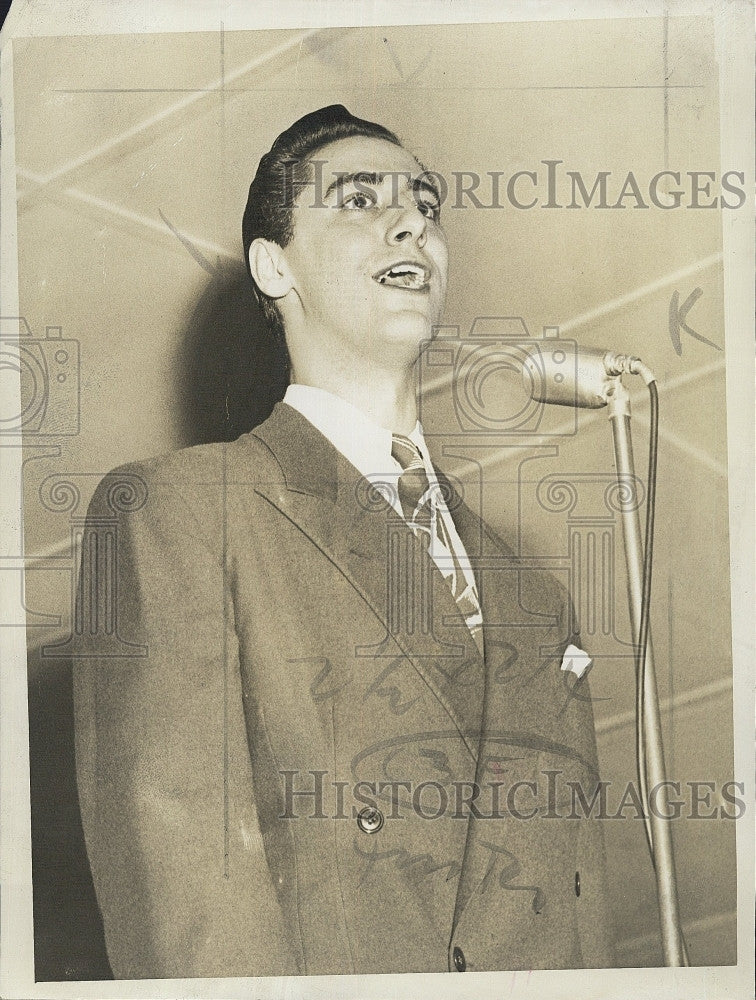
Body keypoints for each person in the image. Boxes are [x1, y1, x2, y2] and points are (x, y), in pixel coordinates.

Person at [73, 105, 615, 978]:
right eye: (360, 200)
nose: (413, 223)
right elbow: (183, 889)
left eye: (426, 205)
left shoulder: (532, 593)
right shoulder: (179, 512)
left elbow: (583, 911)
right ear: (273, 265)